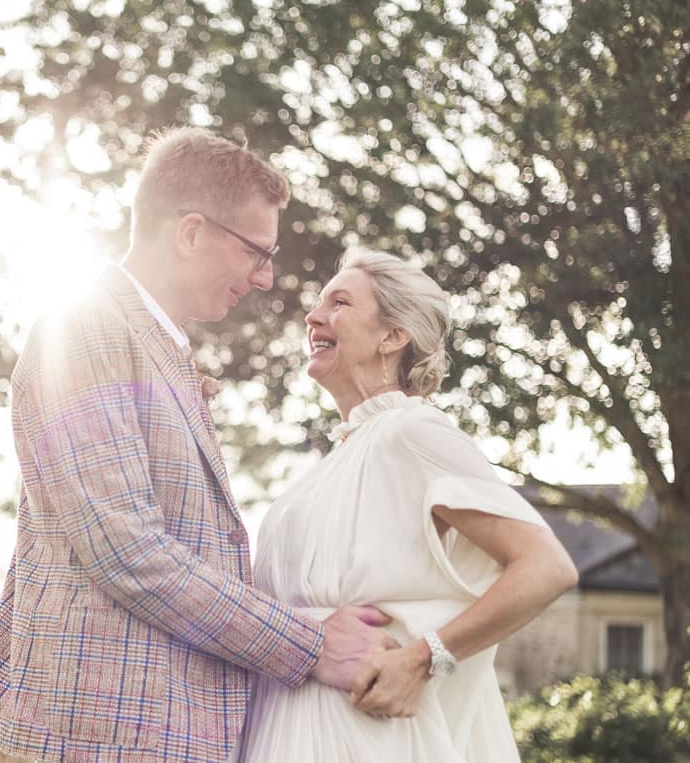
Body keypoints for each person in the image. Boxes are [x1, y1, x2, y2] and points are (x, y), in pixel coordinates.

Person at [0, 128, 399, 763]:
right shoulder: (82, 328)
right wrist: (312, 646)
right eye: (257, 253)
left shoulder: (154, 345)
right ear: (192, 232)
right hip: (106, 733)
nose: (266, 278)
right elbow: (125, 549)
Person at [235, 248, 579, 762]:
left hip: (369, 737)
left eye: (340, 302)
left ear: (392, 337)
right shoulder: (331, 465)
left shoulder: (412, 430)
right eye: (318, 303)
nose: (313, 315)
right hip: (282, 729)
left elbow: (546, 567)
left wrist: (424, 658)